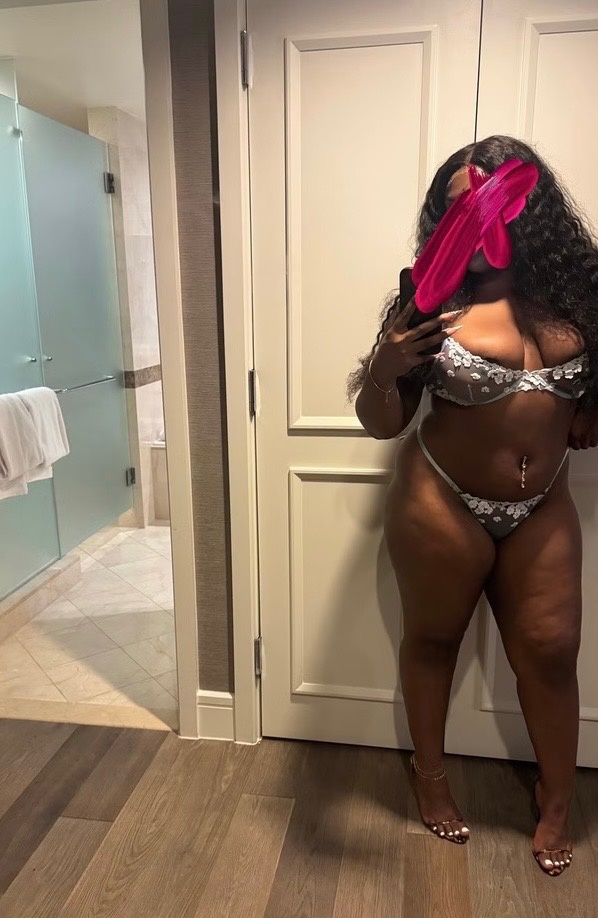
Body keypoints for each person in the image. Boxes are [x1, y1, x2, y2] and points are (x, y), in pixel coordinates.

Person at [347, 135, 598, 877]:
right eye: (462, 208)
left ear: (531, 211)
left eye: (497, 206)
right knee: (433, 641)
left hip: (542, 505)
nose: (481, 222)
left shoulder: (579, 296)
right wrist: (385, 369)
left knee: (551, 651)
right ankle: (430, 778)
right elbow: (382, 423)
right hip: (441, 501)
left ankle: (556, 800)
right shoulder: (432, 300)